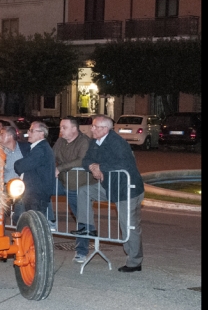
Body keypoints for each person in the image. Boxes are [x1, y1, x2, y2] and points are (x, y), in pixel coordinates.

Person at [76, 115, 145, 273]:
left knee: (129, 226)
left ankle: (135, 262)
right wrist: (93, 166)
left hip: (126, 189)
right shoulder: (95, 141)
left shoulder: (117, 142)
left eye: (95, 126)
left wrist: (101, 167)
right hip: (109, 185)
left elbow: (124, 163)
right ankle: (87, 227)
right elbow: (86, 160)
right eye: (93, 126)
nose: (92, 129)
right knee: (84, 190)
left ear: (105, 129)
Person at [51, 116, 97, 263]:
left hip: (78, 186)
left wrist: (59, 168)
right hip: (63, 182)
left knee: (82, 219)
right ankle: (50, 220)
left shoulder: (84, 142)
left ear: (74, 129)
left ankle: (81, 251)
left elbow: (81, 160)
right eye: (60, 127)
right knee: (40, 189)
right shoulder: (60, 141)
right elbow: (52, 156)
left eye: (64, 127)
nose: (60, 130)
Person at [14, 121, 55, 222]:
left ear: (41, 133)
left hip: (36, 195)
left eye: (32, 130)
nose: (28, 133)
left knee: (34, 225)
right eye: (29, 130)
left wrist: (17, 163)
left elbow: (21, 166)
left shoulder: (40, 149)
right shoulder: (37, 148)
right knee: (23, 221)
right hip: (32, 193)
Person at [0, 126, 30, 224]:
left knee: (20, 215)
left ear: (10, 136)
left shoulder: (25, 148)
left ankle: (20, 233)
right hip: (4, 186)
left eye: (2, 134)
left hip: (21, 187)